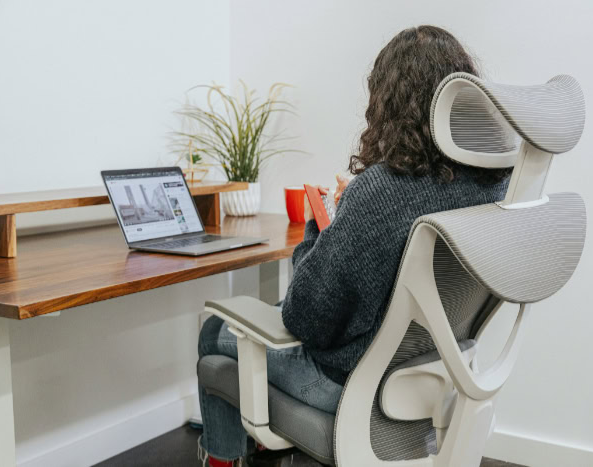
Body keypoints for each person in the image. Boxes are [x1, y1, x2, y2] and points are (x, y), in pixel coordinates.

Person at [197, 25, 512, 467]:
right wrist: (354, 212)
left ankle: (225, 458)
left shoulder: (382, 191)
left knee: (213, 332)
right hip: (438, 376)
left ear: (388, 103)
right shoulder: (494, 185)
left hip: (352, 386)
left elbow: (305, 318)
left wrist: (323, 221)